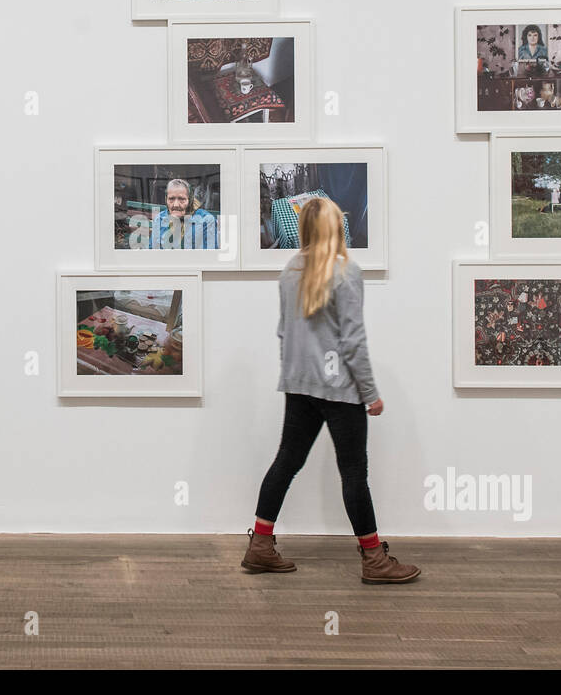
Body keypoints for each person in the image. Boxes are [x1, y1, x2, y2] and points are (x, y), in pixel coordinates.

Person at [241, 196, 420, 585]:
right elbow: (352, 341)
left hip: (299, 385)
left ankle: (260, 546)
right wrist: (370, 393)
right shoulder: (345, 271)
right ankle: (374, 559)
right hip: (339, 388)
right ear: (335, 227)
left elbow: (284, 333)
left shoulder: (290, 269)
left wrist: (294, 376)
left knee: (286, 462)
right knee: (354, 473)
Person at [149, 178, 218, 249]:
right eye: (171, 199)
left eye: (182, 199)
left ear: (190, 200)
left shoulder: (207, 221)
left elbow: (209, 256)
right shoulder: (159, 219)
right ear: (166, 200)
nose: (176, 205)